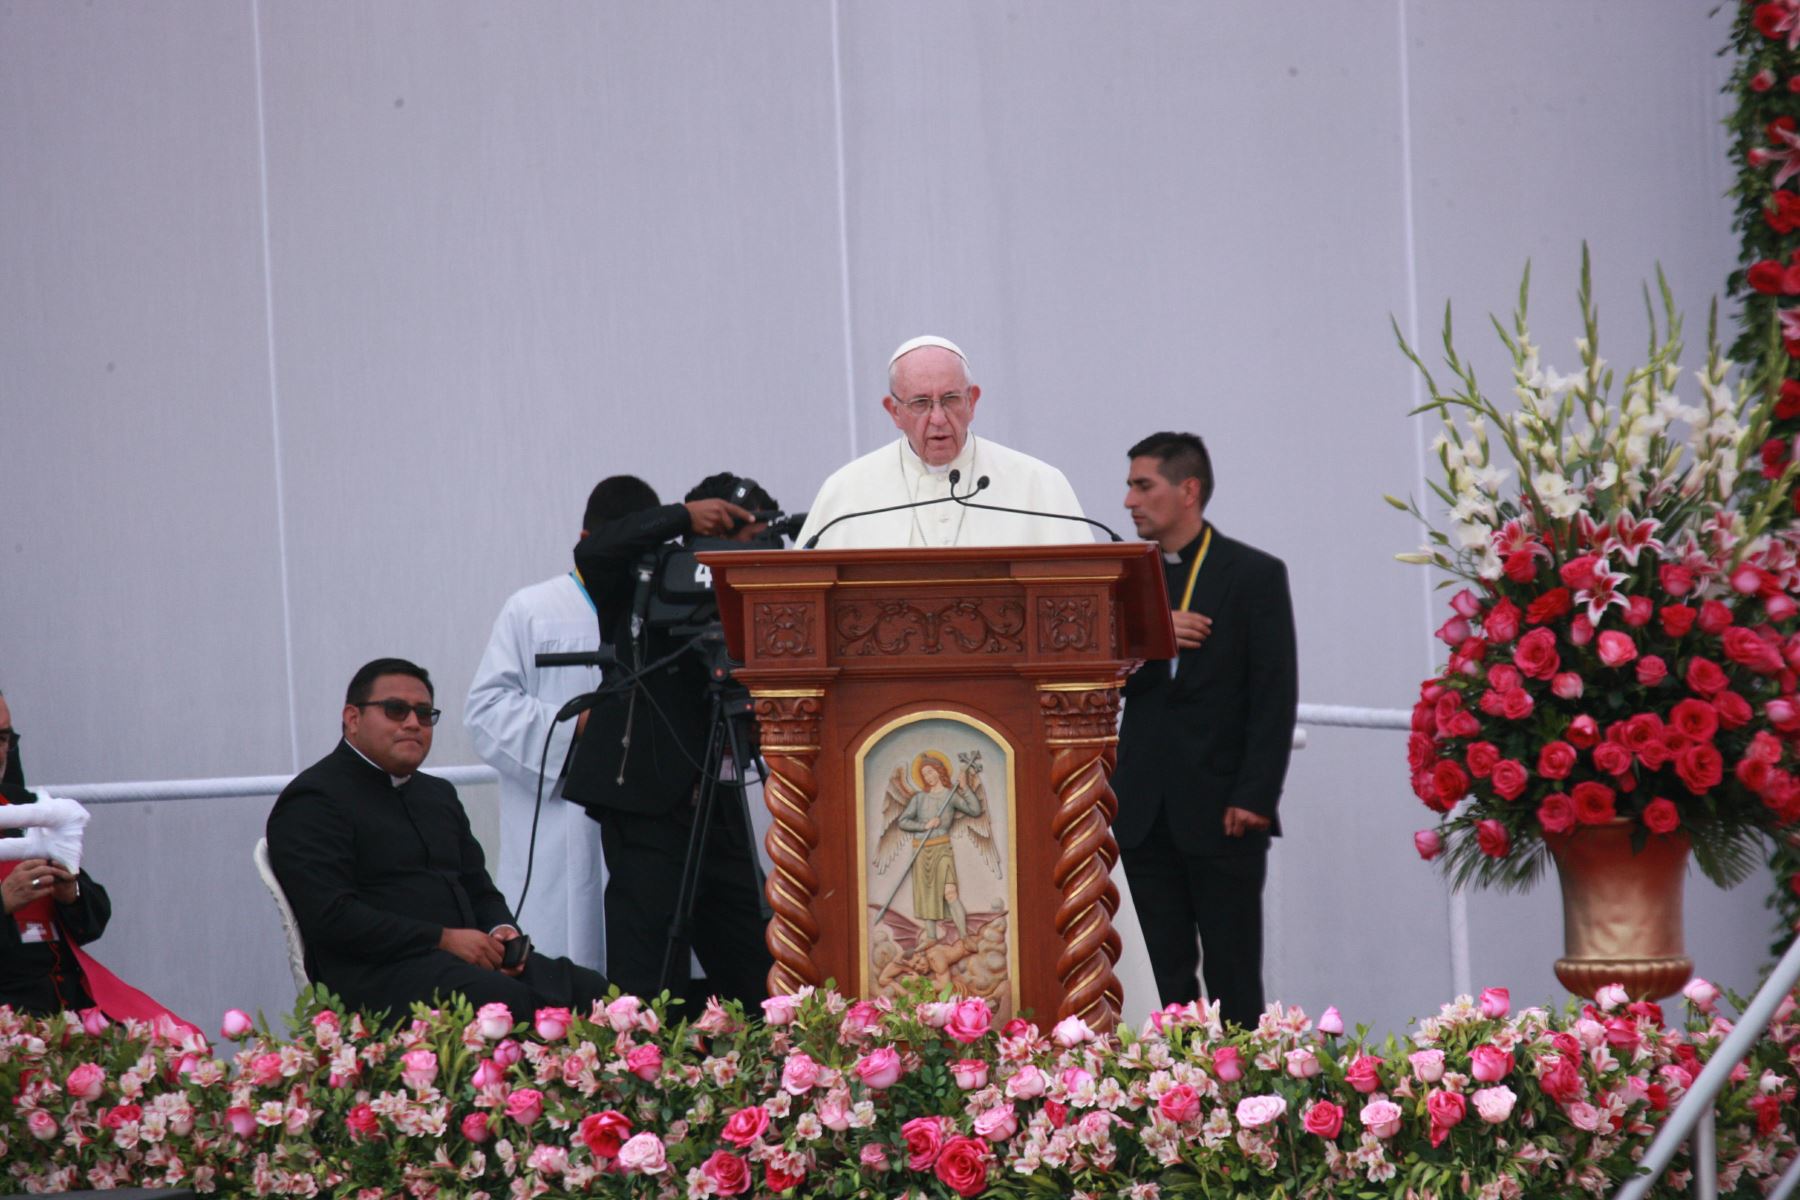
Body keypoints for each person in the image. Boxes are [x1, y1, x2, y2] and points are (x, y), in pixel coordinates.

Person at [267, 658, 609, 1020]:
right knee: (507, 1004)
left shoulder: (437, 794)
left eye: (424, 713)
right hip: (375, 976)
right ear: (353, 719)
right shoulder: (315, 799)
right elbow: (332, 917)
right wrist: (442, 939)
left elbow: (478, 887)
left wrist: (501, 931)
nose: (413, 723)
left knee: (593, 991)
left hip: (461, 967)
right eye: (396, 710)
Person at [568, 473, 776, 1008]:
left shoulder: (767, 596)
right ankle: (645, 1077)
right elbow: (593, 552)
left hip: (718, 800)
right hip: (645, 803)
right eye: (734, 540)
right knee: (647, 975)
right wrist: (682, 516)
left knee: (758, 968)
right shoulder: (645, 576)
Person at [1111, 432, 1297, 1028]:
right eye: (1130, 485)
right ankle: (1171, 1098)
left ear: (1187, 491)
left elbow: (1274, 694)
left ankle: (1245, 1109)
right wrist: (1150, 636)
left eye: (1144, 486)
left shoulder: (1254, 574)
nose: (1129, 501)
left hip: (1223, 810)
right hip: (1141, 812)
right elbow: (1098, 679)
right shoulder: (1122, 582)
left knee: (1232, 973)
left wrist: (1255, 795)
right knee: (1160, 975)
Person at [464, 482, 613, 972]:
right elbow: (486, 712)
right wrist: (578, 724)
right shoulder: (533, 609)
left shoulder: (655, 612)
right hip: (555, 823)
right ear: (586, 539)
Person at [795, 335, 1091, 549]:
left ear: (972, 401)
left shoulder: (1039, 484)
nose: (938, 418)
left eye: (950, 399)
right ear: (894, 411)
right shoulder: (846, 492)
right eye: (921, 403)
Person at [0, 690, 111, 1015]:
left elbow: (93, 925)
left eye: (3, 738)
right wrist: (3, 902)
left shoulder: (26, 808)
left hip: (71, 1006)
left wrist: (70, 892)